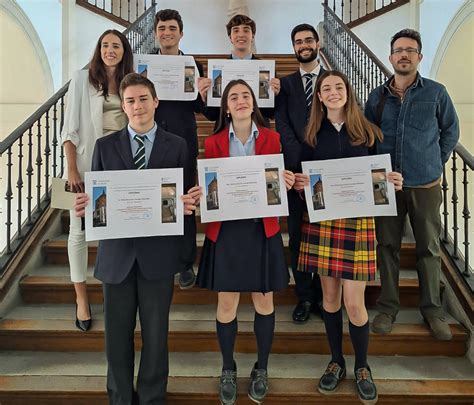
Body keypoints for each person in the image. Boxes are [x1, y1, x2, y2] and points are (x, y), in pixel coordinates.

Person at [74, 73, 199, 404]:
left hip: (158, 256)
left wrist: (187, 210)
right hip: (117, 257)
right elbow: (99, 202)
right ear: (123, 106)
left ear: (156, 102)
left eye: (144, 98)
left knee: (156, 335)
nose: (138, 106)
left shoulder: (178, 145)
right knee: (116, 336)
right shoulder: (104, 146)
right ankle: (119, 397)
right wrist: (86, 207)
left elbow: (183, 199)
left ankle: (152, 396)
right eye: (130, 100)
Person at [294, 71, 403, 404]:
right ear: (320, 97)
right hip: (324, 223)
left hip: (357, 223)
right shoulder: (310, 135)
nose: (332, 92)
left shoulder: (368, 133)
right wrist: (301, 187)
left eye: (338, 87)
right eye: (326, 88)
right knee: (329, 299)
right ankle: (336, 362)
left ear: (348, 92)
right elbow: (307, 184)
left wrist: (391, 182)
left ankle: (362, 366)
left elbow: (380, 177)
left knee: (354, 304)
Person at [196, 79, 295, 405]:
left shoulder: (273, 138)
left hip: (260, 230)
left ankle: (262, 368)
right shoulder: (211, 144)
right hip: (226, 232)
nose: (240, 101)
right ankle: (227, 368)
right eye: (233, 97)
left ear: (254, 104)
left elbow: (276, 185)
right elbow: (210, 188)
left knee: (264, 304)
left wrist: (286, 179)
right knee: (227, 304)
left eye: (245, 96)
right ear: (225, 107)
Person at [365, 29, 459, 341]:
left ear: (419, 57)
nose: (404, 55)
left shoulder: (436, 93)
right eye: (398, 50)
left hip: (425, 185)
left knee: (429, 249)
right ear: (391, 57)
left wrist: (434, 163)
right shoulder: (376, 98)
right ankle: (388, 308)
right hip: (384, 186)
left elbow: (450, 132)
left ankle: (432, 310)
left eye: (410, 50)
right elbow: (367, 140)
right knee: (388, 247)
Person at [61, 29, 133, 331]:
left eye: (116, 45)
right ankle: (81, 298)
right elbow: (69, 130)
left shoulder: (131, 80)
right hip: (85, 166)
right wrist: (72, 169)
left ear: (124, 51)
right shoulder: (81, 79)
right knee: (78, 232)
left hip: (120, 167)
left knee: (112, 233)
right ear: (98, 50)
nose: (110, 50)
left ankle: (113, 291)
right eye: (105, 45)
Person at [152, 8, 206, 289]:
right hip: (151, 142)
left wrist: (204, 91)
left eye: (172, 28)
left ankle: (185, 264)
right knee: (155, 197)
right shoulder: (144, 65)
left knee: (185, 203)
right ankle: (160, 258)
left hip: (184, 143)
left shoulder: (192, 64)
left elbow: (204, 110)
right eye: (162, 28)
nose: (167, 33)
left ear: (181, 33)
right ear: (156, 33)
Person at [275, 23, 325, 323]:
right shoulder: (287, 84)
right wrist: (298, 167)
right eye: (298, 41)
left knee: (324, 235)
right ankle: (305, 296)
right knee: (298, 237)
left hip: (326, 173)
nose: (303, 45)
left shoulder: (332, 80)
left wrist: (320, 167)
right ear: (293, 47)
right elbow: (281, 125)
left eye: (308, 40)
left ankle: (325, 295)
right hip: (295, 175)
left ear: (318, 44)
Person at [198, 14, 281, 125]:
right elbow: (212, 116)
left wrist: (275, 96)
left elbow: (270, 113)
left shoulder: (266, 69)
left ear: (253, 36)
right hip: (226, 130)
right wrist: (205, 98)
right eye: (236, 31)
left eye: (246, 30)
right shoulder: (217, 70)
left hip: (259, 130)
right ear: (230, 37)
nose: (241, 34)